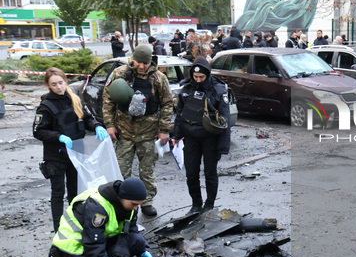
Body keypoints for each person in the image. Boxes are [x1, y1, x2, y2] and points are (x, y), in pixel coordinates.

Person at [49, 177, 154, 257]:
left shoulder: (129, 203)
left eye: (139, 205)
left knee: (138, 241)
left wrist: (142, 250)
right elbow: (94, 249)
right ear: (121, 197)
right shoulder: (98, 209)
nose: (136, 208)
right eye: (134, 204)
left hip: (98, 240)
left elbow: (131, 229)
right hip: (75, 247)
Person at [33, 67, 109, 232]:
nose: (59, 87)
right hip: (56, 156)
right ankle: (59, 228)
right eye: (54, 84)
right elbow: (37, 131)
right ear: (48, 85)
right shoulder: (46, 106)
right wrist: (58, 137)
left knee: (76, 192)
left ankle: (77, 223)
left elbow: (87, 118)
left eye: (61, 83)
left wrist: (97, 126)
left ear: (65, 81)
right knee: (58, 193)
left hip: (76, 153)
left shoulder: (74, 99)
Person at [102, 45, 174, 217]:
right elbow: (108, 100)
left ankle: (147, 202)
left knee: (147, 171)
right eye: (139, 62)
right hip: (124, 132)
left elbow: (167, 104)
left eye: (146, 63)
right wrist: (109, 125)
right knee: (121, 170)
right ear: (132, 59)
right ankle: (120, 203)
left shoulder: (158, 78)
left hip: (148, 134)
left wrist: (164, 130)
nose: (142, 66)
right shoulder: (119, 73)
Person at [171, 57, 231, 215]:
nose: (198, 80)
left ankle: (209, 204)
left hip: (210, 137)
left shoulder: (218, 90)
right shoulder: (187, 88)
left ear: (207, 75)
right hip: (190, 137)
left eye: (201, 77)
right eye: (195, 77)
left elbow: (225, 119)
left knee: (210, 172)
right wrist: (176, 135)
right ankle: (196, 204)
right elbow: (179, 114)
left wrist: (223, 147)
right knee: (191, 173)